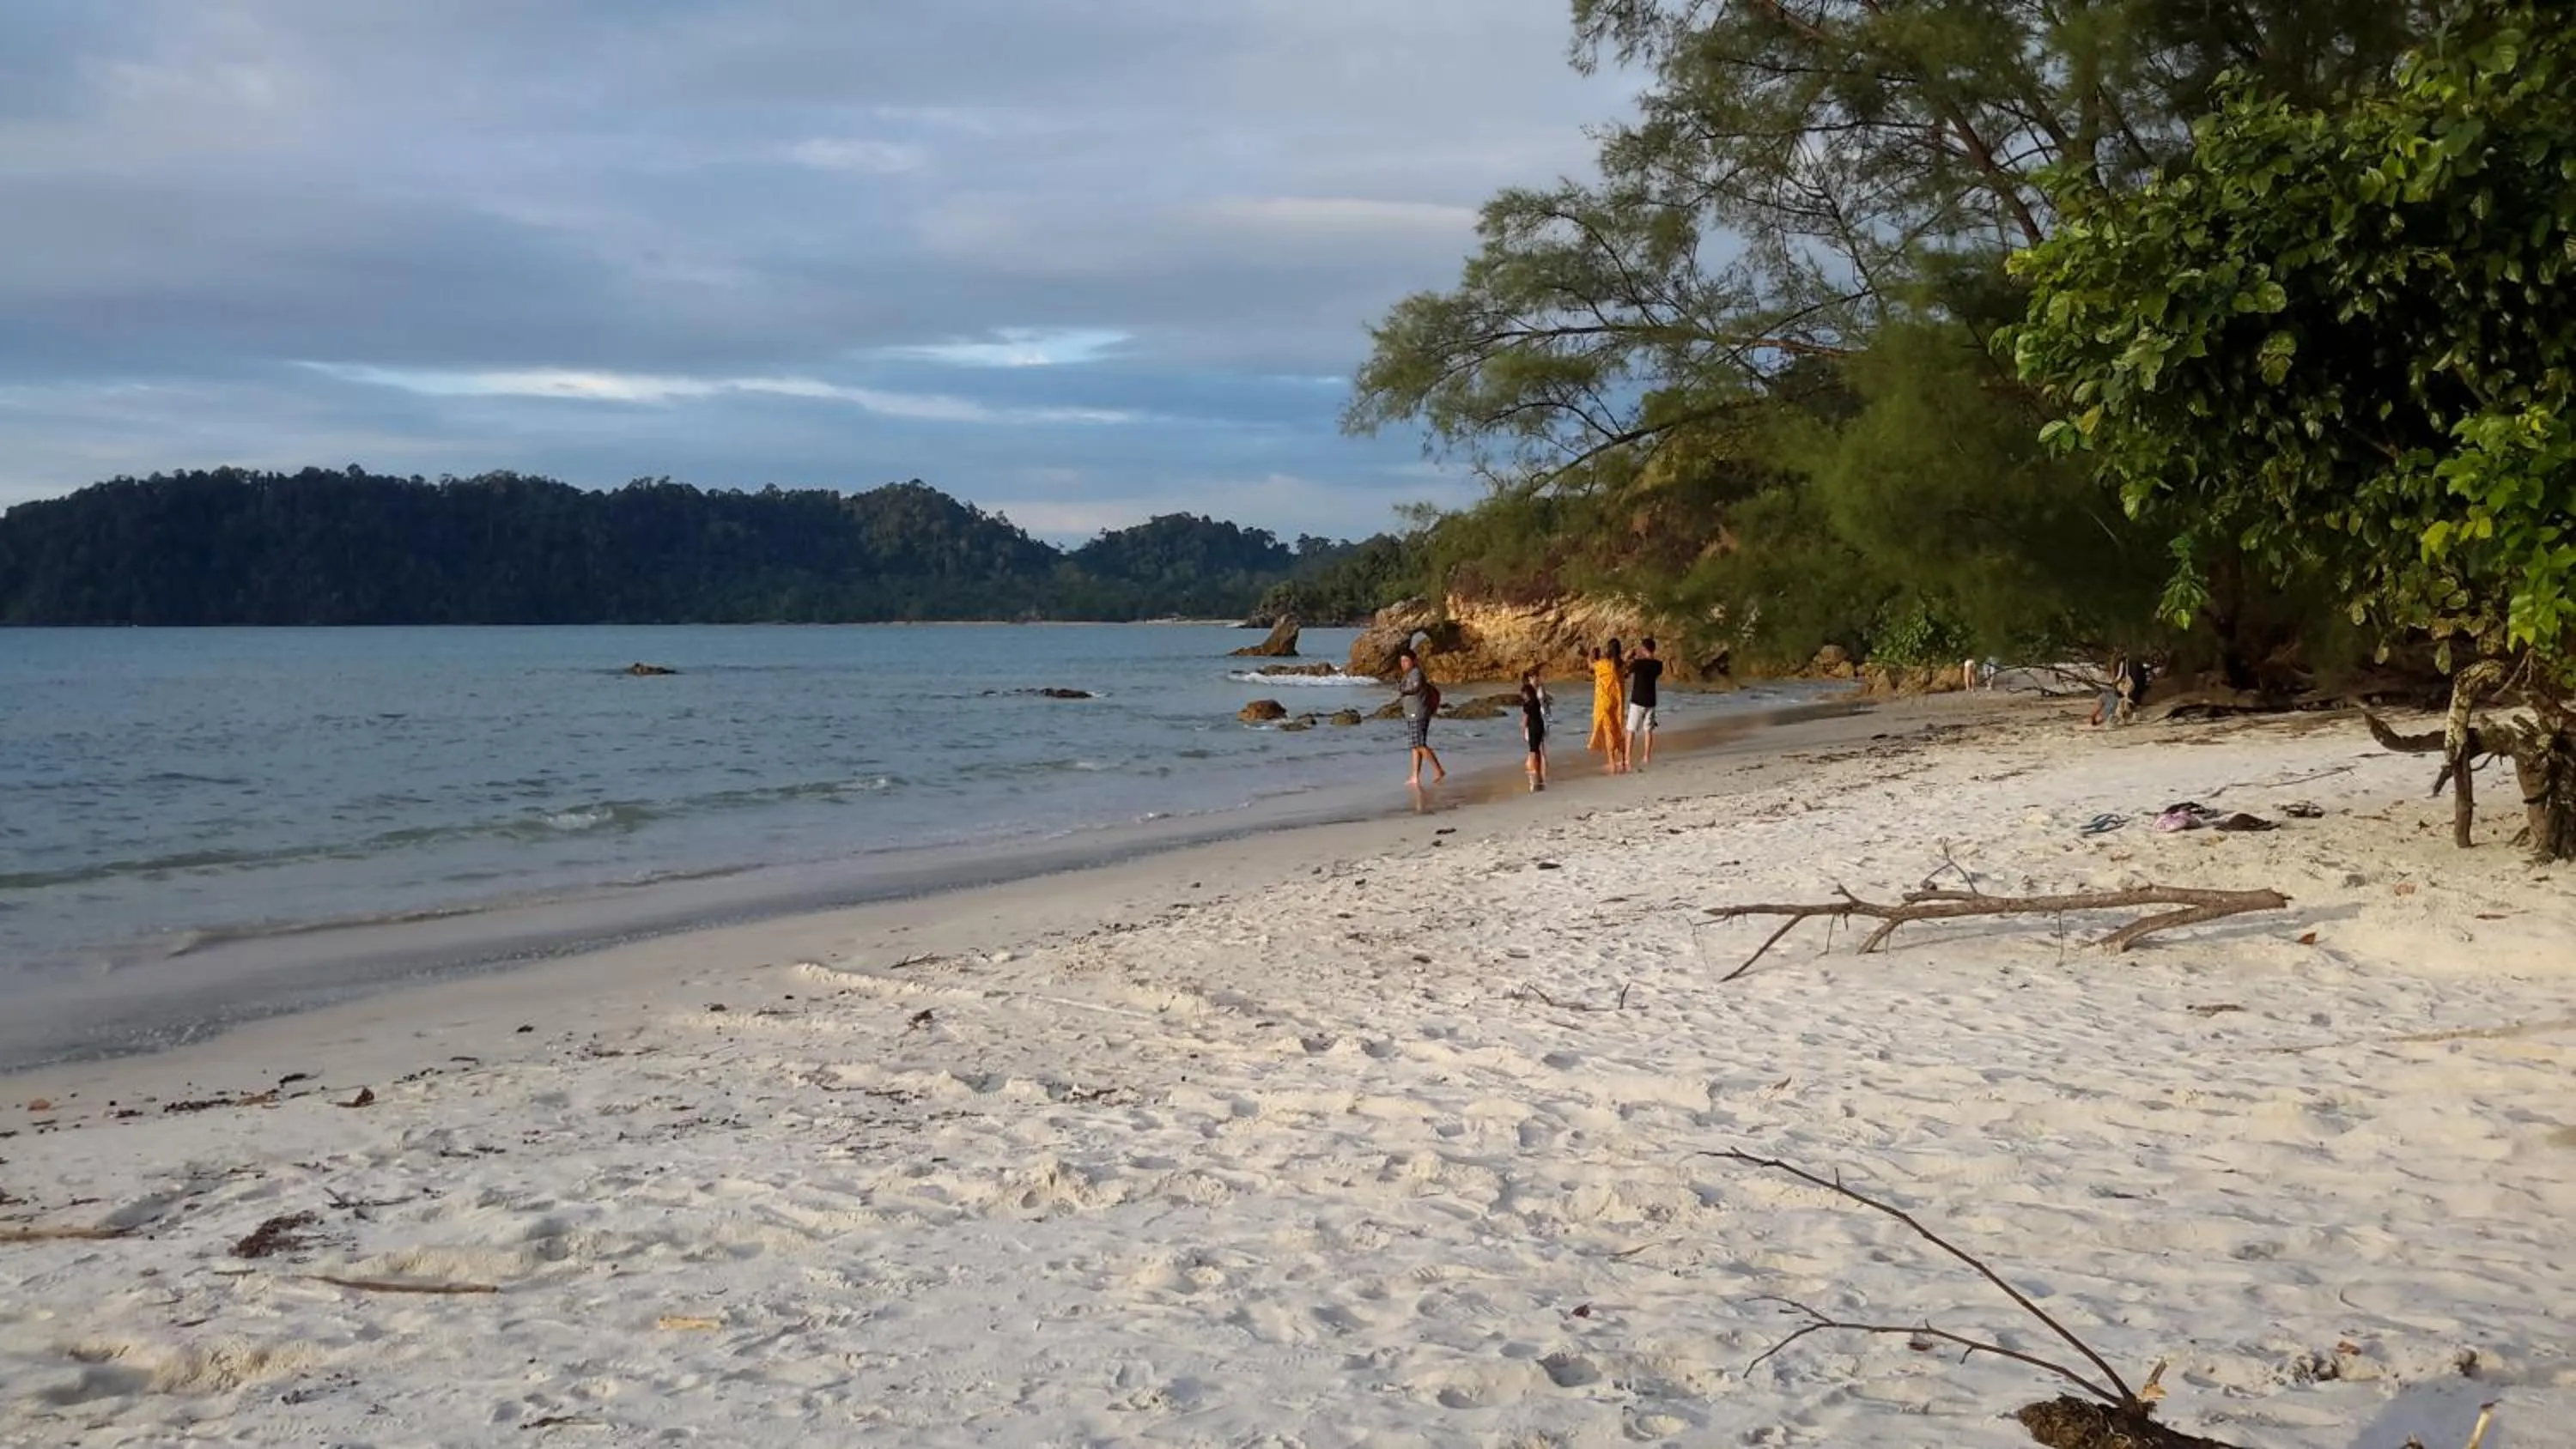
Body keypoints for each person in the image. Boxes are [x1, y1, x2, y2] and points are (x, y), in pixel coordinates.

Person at [1396, 646, 1446, 786]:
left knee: (1419, 745)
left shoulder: (1416, 673)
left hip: (1418, 713)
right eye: (1402, 661)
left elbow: (1415, 687)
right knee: (1415, 745)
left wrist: (1402, 689)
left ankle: (1438, 770)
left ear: (1414, 661)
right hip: (1412, 714)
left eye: (1406, 661)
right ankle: (1415, 776)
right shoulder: (1409, 674)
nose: (1403, 664)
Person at [1588, 639, 1628, 773]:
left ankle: (1611, 762)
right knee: (1618, 728)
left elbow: (1591, 666)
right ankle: (1623, 760)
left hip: (1604, 701)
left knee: (1608, 731)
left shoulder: (1603, 664)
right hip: (1617, 701)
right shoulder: (1620, 665)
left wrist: (1590, 655)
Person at [1625, 637, 1664, 770]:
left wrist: (1629, 657)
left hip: (1637, 700)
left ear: (1643, 649)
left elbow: (1626, 671)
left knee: (1631, 730)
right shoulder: (1658, 665)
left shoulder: (1638, 663)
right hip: (1651, 700)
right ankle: (1646, 756)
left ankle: (1627, 758)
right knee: (1648, 730)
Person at [1518, 668, 1551, 791]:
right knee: (1537, 749)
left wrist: (1523, 729)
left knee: (1533, 749)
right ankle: (1537, 768)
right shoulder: (1535, 701)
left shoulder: (1529, 703)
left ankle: (1534, 769)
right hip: (1540, 724)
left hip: (1533, 726)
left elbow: (1525, 719)